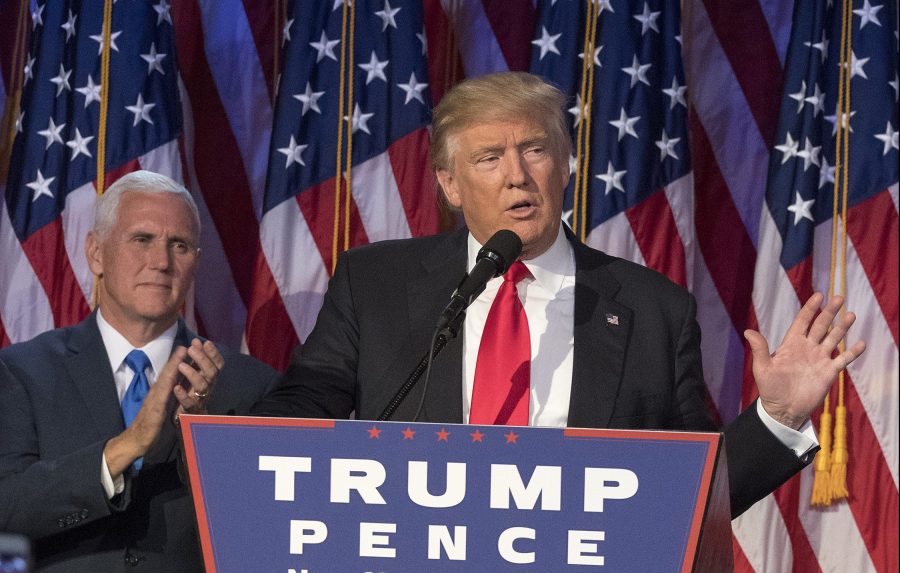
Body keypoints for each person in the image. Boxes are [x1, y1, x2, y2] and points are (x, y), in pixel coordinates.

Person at [250, 72, 865, 519]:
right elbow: (302, 406)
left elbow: (693, 496)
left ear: (566, 165)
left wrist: (778, 416)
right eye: (490, 157)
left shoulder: (654, 309)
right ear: (450, 185)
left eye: (535, 149)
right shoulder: (375, 284)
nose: (517, 174)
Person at [0, 171, 278, 571]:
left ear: (195, 263)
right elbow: (7, 508)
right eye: (142, 239)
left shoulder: (251, 386)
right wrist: (126, 447)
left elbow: (262, 528)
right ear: (96, 253)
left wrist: (206, 443)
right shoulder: (24, 373)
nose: (161, 262)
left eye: (179, 245)